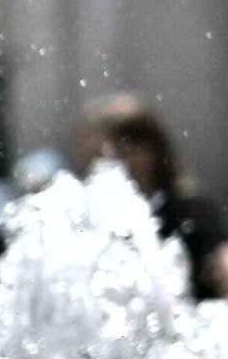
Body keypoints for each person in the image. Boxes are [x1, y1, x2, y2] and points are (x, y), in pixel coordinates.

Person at [75, 95, 227, 300]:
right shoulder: (97, 218)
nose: (104, 166)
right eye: (95, 157)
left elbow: (220, 261)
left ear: (150, 149)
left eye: (121, 151)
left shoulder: (189, 210)